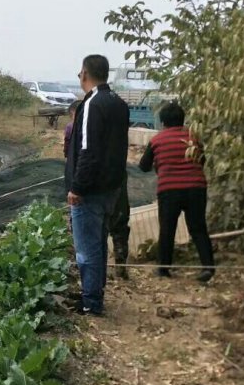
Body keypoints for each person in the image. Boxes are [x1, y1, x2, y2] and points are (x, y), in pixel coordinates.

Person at [65, 54, 130, 315]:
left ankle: (91, 302)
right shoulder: (119, 103)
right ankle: (94, 292)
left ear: (85, 74)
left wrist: (77, 187)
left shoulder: (92, 103)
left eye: (80, 73)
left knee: (87, 248)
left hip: (90, 191)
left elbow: (88, 150)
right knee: (100, 244)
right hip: (111, 188)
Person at [138, 101, 215, 282]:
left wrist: (159, 163)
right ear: (182, 119)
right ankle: (208, 267)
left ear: (163, 121)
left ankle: (164, 269)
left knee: (167, 229)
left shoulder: (157, 140)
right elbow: (201, 160)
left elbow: (143, 166)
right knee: (198, 228)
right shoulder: (193, 137)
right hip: (196, 188)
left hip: (169, 189)